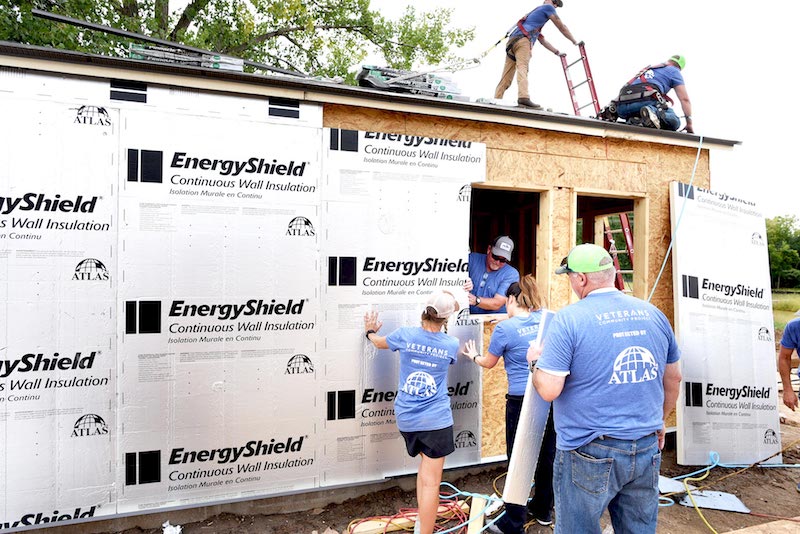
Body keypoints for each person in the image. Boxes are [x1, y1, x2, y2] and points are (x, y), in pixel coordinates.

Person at [532, 244, 682, 533]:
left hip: (588, 450)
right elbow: (673, 378)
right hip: (646, 444)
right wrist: (659, 420)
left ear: (581, 279)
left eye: (570, 277)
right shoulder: (653, 314)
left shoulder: (569, 319)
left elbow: (549, 389)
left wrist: (536, 363)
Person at [461, 276, 556, 533]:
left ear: (512, 300)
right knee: (547, 455)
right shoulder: (547, 319)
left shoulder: (504, 330)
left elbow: (489, 362)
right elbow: (529, 322)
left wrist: (474, 355)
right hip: (548, 396)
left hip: (520, 400)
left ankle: (513, 522)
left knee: (519, 458)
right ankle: (543, 510)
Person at [364, 291, 461, 534]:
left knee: (424, 472)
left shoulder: (404, 335)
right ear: (445, 320)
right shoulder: (450, 344)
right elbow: (446, 355)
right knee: (431, 483)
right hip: (435, 421)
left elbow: (378, 342)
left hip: (408, 418)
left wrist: (370, 331)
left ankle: (422, 524)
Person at [494, 0, 580, 109]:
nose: (555, 6)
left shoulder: (533, 19)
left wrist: (557, 52)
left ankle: (496, 99)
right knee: (523, 67)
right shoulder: (548, 8)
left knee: (506, 75)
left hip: (512, 42)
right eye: (555, 3)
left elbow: (543, 41)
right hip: (523, 42)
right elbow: (562, 27)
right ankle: (523, 97)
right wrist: (574, 41)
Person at [614, 54, 694, 133]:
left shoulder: (650, 68)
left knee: (641, 111)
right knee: (674, 121)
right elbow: (684, 99)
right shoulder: (674, 71)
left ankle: (635, 119)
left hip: (622, 107)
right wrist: (689, 123)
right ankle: (652, 112)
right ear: (679, 67)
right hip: (644, 101)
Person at [464, 236, 520, 314]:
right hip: (465, 317)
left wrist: (476, 300)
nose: (497, 262)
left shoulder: (511, 274)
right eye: (495, 257)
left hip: (493, 321)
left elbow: (497, 303)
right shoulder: (471, 259)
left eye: (503, 260)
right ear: (489, 249)